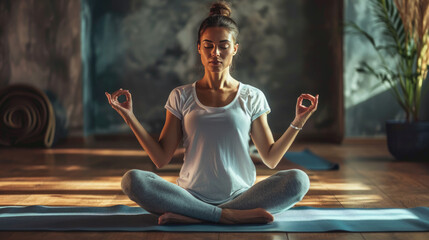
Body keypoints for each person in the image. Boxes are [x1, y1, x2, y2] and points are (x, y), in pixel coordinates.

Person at [105, 1, 319, 225]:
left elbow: (271, 158)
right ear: (198, 47)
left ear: (235, 48)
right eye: (208, 45)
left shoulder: (252, 96)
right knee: (132, 180)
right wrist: (129, 116)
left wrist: (298, 121)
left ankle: (196, 216)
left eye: (223, 46)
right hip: (189, 196)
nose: (215, 53)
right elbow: (160, 158)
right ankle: (227, 217)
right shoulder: (181, 96)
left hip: (241, 197)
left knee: (298, 180)